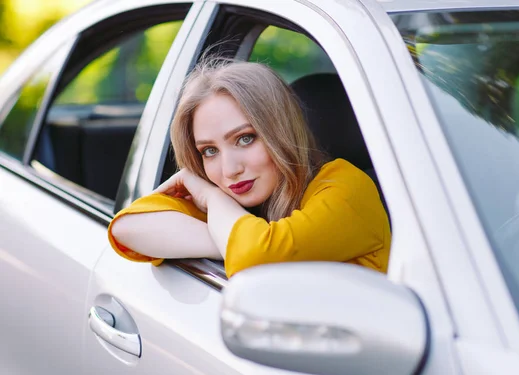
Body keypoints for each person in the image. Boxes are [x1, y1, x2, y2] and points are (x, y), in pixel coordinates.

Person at [109, 59, 391, 278]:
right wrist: (230, 230)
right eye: (210, 151)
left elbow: (253, 257)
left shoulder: (349, 189)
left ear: (280, 130)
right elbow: (127, 227)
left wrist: (217, 207)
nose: (229, 169)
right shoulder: (230, 201)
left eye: (245, 138)